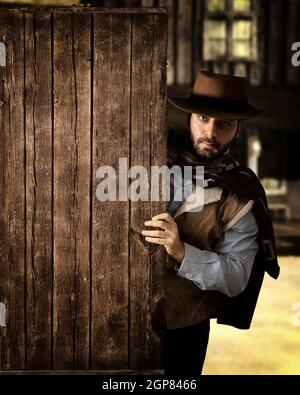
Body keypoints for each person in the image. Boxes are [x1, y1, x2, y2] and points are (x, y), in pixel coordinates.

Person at [142, 70, 280, 375]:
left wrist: (181, 253)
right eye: (203, 118)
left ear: (238, 128)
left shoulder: (241, 194)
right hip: (114, 315)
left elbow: (236, 276)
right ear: (190, 117)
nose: (211, 131)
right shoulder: (146, 158)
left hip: (184, 327)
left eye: (224, 123)